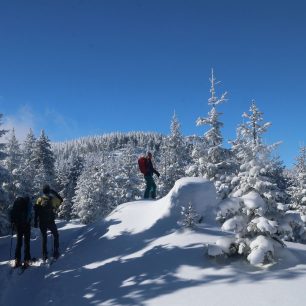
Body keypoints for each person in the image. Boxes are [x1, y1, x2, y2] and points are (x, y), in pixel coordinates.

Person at [34, 184, 63, 260]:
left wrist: (35, 222)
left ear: (43, 191)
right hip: (50, 221)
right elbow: (61, 200)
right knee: (56, 235)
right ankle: (56, 251)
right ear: (49, 190)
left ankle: (44, 255)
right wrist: (54, 192)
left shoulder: (39, 199)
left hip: (42, 222)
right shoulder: (53, 199)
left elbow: (36, 211)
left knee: (44, 237)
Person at [10, 196, 32, 268]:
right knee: (26, 243)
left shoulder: (17, 202)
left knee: (19, 243)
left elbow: (12, 213)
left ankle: (17, 260)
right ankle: (26, 261)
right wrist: (28, 221)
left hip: (18, 225)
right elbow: (29, 214)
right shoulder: (28, 202)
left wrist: (13, 222)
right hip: (26, 225)